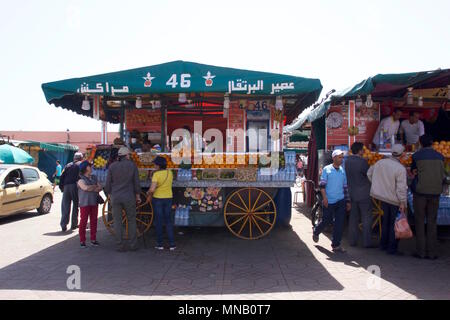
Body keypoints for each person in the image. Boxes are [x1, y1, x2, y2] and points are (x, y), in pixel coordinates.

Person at [367, 144, 408, 256]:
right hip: (394, 200)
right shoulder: (400, 169)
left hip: (382, 198)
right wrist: (403, 202)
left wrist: (377, 186)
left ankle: (383, 245)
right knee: (394, 224)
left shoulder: (380, 162)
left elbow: (369, 173)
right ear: (402, 154)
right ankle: (392, 248)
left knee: (385, 222)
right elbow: (401, 188)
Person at [411, 134, 445, 260]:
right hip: (435, 193)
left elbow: (414, 172)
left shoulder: (416, 156)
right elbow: (443, 176)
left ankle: (421, 252)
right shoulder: (440, 157)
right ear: (432, 143)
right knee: (432, 222)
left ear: (420, 143)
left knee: (419, 222)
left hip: (420, 193)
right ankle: (432, 252)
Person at [312, 149, 351, 253]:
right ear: (334, 158)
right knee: (326, 220)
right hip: (329, 201)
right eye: (339, 157)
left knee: (339, 223)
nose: (341, 159)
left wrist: (347, 201)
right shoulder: (327, 169)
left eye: (342, 157)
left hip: (341, 200)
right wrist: (324, 198)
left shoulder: (342, 170)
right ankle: (316, 231)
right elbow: (322, 186)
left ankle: (336, 245)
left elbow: (345, 187)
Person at [105, 146, 141, 252]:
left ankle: (119, 245)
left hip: (115, 197)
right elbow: (136, 183)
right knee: (131, 220)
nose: (129, 156)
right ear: (126, 155)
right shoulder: (132, 166)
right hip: (129, 197)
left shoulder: (112, 166)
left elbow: (108, 184)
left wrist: (109, 194)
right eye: (129, 154)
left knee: (117, 221)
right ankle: (133, 245)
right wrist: (138, 195)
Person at [346, 142, 375, 248]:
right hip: (364, 194)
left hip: (351, 193)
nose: (363, 151)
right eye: (362, 149)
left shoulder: (347, 161)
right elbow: (368, 174)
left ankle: (352, 241)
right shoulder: (363, 162)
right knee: (366, 218)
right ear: (359, 151)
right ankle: (367, 242)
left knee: (353, 218)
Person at [147, 156, 176, 251]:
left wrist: (148, 193)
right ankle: (172, 244)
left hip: (158, 199)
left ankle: (160, 244)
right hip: (168, 198)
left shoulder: (156, 175)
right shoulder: (170, 173)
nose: (154, 165)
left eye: (155, 164)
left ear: (159, 165)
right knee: (168, 221)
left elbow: (152, 189)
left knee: (159, 222)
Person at [77, 161, 103, 248]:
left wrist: (92, 187)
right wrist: (94, 187)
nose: (92, 168)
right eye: (90, 166)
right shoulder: (80, 179)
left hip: (94, 202)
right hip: (84, 203)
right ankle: (82, 240)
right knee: (83, 221)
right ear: (86, 168)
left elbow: (100, 188)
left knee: (94, 221)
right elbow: (85, 188)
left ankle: (93, 239)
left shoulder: (94, 177)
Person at [59, 152, 83, 232]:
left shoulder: (68, 165)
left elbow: (62, 176)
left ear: (74, 158)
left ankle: (63, 224)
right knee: (76, 205)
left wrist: (61, 187)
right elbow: (82, 176)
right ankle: (74, 224)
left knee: (65, 206)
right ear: (81, 158)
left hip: (66, 186)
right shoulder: (81, 164)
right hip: (75, 186)